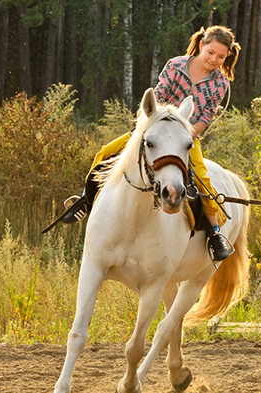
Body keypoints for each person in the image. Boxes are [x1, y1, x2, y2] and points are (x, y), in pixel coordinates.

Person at [60, 25, 241, 262]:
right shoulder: (175, 65)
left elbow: (205, 117)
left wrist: (186, 133)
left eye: (221, 56)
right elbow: (158, 97)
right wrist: (154, 126)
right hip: (155, 129)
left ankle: (215, 233)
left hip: (184, 136)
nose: (214, 60)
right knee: (106, 152)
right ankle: (86, 200)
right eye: (211, 53)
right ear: (200, 46)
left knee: (205, 183)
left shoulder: (220, 84)